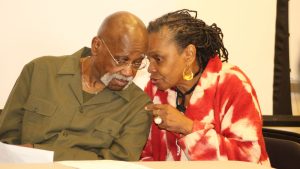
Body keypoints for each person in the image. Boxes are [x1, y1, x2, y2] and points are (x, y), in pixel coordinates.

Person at [0, 11, 152, 161]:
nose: (129, 72)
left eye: (137, 63)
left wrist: (41, 153)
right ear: (97, 46)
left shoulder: (138, 106)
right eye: (121, 60)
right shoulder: (39, 71)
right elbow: (7, 138)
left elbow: (119, 163)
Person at [140, 9, 270, 166]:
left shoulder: (231, 83)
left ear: (188, 54)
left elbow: (249, 158)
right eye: (148, 59)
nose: (150, 68)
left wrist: (188, 127)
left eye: (158, 59)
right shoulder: (155, 88)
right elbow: (144, 154)